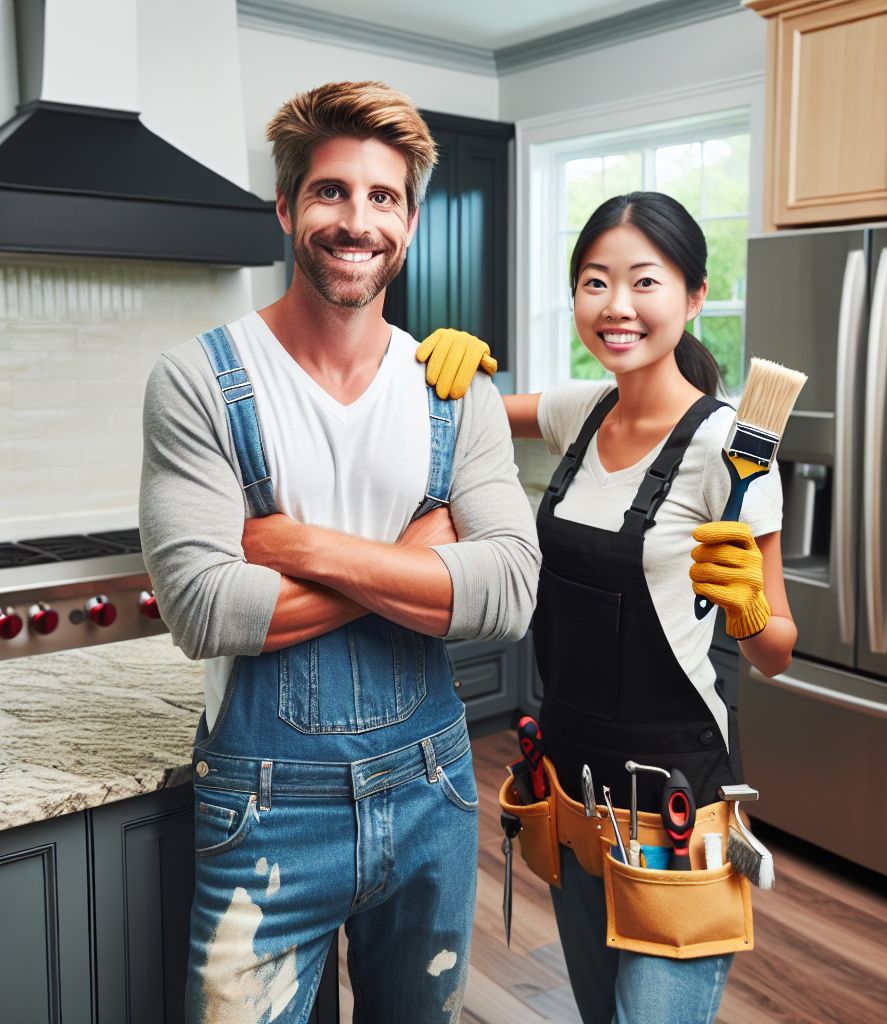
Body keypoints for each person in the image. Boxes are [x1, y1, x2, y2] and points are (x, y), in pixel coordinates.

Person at [139, 80, 540, 1024]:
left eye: (384, 197)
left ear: (409, 221)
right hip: (264, 809)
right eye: (330, 192)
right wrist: (416, 556)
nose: (356, 220)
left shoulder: (456, 389)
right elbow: (204, 609)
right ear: (286, 207)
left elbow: (511, 592)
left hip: (434, 791)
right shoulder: (199, 379)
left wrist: (304, 548)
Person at [420, 191, 796, 1023]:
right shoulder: (579, 412)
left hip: (677, 804)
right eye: (594, 282)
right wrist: (449, 357)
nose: (616, 306)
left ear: (693, 297)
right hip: (575, 783)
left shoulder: (729, 450)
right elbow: (465, 411)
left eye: (644, 282)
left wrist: (747, 613)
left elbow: (777, 650)